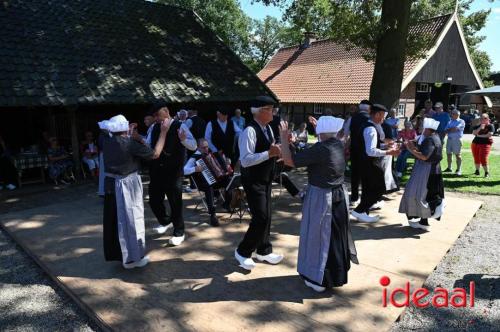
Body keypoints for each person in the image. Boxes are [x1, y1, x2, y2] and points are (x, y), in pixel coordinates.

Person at [279, 116, 358, 292]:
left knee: (318, 236)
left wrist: (284, 138)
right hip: (338, 196)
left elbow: (289, 161)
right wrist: (319, 129)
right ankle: (333, 276)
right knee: (334, 237)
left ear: (321, 132)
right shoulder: (337, 144)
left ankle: (318, 280)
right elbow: (320, 146)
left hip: (322, 198)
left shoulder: (322, 148)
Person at [100, 115, 169, 269]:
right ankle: (133, 259)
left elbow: (108, 132)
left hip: (111, 185)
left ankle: (121, 255)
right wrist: (163, 132)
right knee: (131, 220)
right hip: (126, 185)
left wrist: (127, 130)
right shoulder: (130, 143)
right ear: (125, 129)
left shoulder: (106, 141)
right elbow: (155, 154)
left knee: (115, 221)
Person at [234, 96, 283, 271]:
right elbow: (245, 160)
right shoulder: (249, 131)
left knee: (267, 215)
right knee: (260, 216)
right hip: (253, 180)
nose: (273, 112)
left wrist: (281, 147)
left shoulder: (268, 128)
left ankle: (263, 250)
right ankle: (243, 251)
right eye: (270, 109)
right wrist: (269, 154)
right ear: (260, 111)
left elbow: (270, 150)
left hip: (266, 177)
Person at [148, 104, 197, 245]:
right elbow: (149, 144)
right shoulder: (154, 127)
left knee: (175, 202)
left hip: (174, 171)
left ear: (166, 112)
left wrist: (183, 140)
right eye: (155, 116)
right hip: (157, 170)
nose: (156, 118)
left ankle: (179, 232)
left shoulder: (180, 126)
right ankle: (165, 221)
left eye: (158, 115)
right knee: (154, 200)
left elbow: (193, 145)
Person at [351, 104, 400, 223]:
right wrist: (389, 152)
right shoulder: (371, 129)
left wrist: (384, 145)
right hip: (369, 163)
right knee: (379, 188)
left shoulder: (368, 125)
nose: (383, 119)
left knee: (367, 189)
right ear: (377, 114)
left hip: (363, 162)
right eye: (382, 116)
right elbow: (370, 151)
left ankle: (363, 212)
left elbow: (369, 145)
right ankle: (359, 210)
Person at [399, 118, 445, 231]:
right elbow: (425, 152)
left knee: (417, 194)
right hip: (433, 169)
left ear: (428, 129)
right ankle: (423, 221)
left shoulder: (430, 140)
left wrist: (410, 149)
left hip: (425, 170)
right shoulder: (436, 137)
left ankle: (423, 221)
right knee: (424, 195)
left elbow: (424, 157)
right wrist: (414, 146)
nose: (420, 129)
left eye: (422, 127)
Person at [183, 138, 232, 227]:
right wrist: (195, 169)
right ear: (198, 148)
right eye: (203, 148)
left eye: (207, 147)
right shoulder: (195, 157)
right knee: (209, 187)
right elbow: (184, 170)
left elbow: (222, 162)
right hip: (202, 183)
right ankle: (212, 215)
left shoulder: (211, 154)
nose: (206, 149)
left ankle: (227, 204)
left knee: (229, 180)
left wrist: (227, 162)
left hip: (216, 180)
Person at [348, 100, 372, 205]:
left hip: (354, 149)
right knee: (366, 174)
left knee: (355, 174)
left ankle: (354, 197)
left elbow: (345, 132)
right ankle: (365, 198)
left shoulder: (352, 118)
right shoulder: (370, 119)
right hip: (366, 150)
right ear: (368, 109)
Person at [471, 113, 494, 178]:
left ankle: (487, 173)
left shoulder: (490, 126)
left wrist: (479, 135)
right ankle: (477, 171)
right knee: (476, 157)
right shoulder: (478, 125)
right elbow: (474, 133)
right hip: (475, 143)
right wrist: (480, 128)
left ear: (488, 119)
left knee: (483, 158)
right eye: (481, 118)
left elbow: (489, 134)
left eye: (484, 118)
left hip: (485, 144)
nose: (482, 119)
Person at [443, 109, 465, 175]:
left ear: (457, 115)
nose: (451, 115)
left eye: (452, 114)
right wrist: (451, 129)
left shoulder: (461, 121)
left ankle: (459, 169)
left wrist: (449, 129)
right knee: (449, 154)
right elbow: (445, 131)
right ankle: (449, 168)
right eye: (451, 114)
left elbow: (455, 129)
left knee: (458, 155)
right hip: (449, 139)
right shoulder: (450, 121)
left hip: (457, 140)